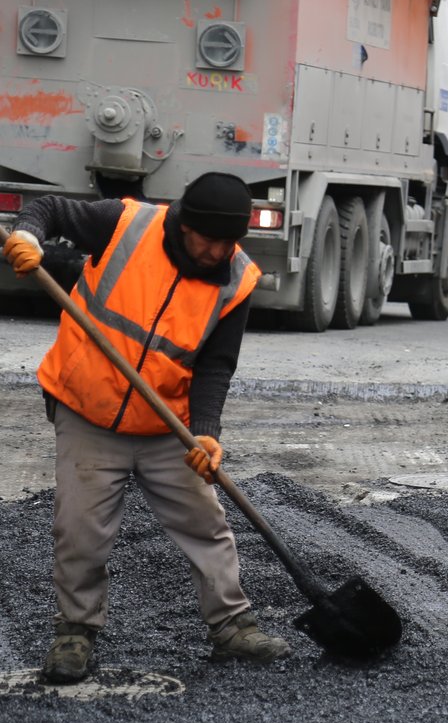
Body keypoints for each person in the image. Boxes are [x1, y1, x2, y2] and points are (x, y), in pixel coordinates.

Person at [2, 173, 291, 684]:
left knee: (207, 523)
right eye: (210, 239)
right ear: (185, 226)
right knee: (80, 530)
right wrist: (27, 236)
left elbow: (215, 365)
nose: (218, 251)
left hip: (166, 424)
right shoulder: (126, 224)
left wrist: (205, 432)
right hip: (87, 409)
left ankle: (232, 626)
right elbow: (48, 207)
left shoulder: (236, 278)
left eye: (230, 241)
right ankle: (75, 632)